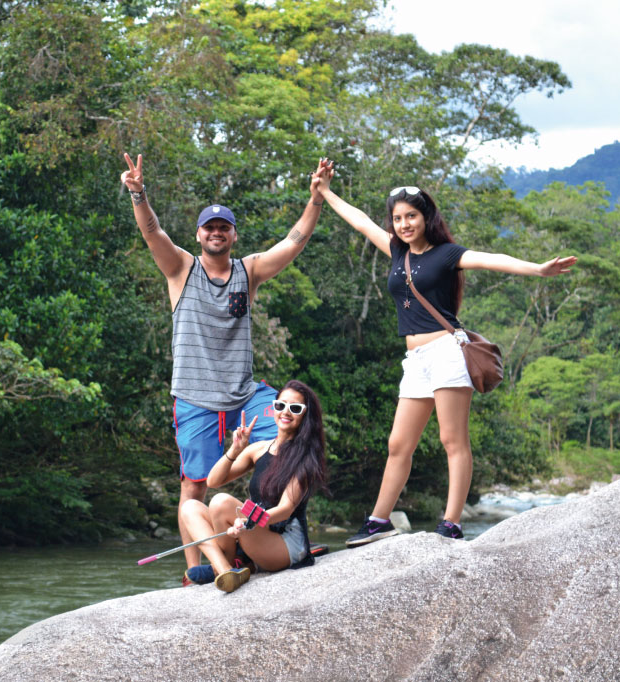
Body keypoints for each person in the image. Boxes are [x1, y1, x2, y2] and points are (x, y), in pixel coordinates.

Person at [315, 159, 577, 546]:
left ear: (426, 217)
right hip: (415, 361)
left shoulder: (446, 254)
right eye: (398, 218)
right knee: (397, 444)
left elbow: (493, 259)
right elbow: (358, 221)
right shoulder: (395, 251)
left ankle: (451, 522)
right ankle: (379, 520)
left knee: (452, 440)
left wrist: (538, 270)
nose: (404, 224)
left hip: (446, 352)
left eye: (412, 216)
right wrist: (323, 191)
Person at [120, 154, 329, 584]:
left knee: (291, 437)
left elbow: (293, 243)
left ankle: (278, 533)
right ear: (199, 235)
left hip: (244, 394)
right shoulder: (180, 267)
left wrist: (316, 199)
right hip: (196, 396)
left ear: (233, 235)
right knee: (195, 486)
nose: (216, 233)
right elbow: (153, 232)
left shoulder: (247, 272)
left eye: (224, 227)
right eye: (209, 227)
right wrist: (138, 194)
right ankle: (199, 569)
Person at [178, 380, 327, 592]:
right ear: (273, 407)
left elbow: (285, 509)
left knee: (221, 502)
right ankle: (225, 570)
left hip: (285, 542)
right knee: (190, 507)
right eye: (280, 405)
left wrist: (249, 521)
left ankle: (225, 567)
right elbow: (213, 481)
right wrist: (236, 449)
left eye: (295, 408)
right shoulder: (259, 449)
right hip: (254, 529)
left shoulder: (305, 458)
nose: (286, 412)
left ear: (305, 414)